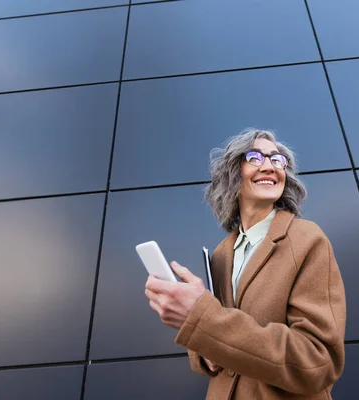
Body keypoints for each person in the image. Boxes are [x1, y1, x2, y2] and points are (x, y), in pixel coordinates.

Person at [145, 128, 346, 399]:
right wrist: (203, 347)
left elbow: (316, 362)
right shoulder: (221, 255)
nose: (269, 166)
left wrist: (203, 318)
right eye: (255, 158)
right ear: (232, 174)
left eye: (277, 160)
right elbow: (222, 341)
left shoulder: (307, 239)